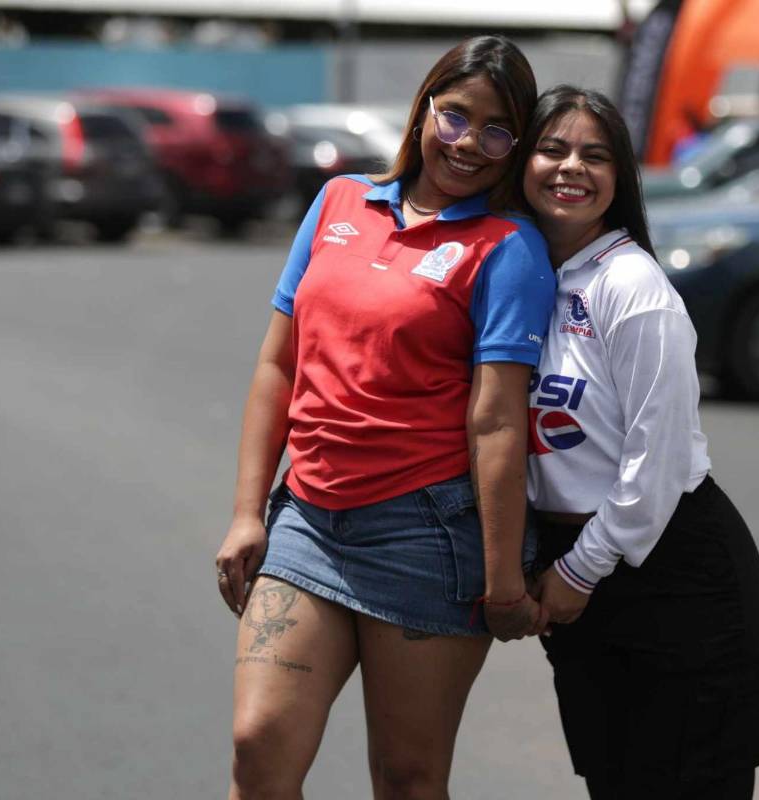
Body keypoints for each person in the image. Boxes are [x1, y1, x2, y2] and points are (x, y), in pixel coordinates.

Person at [214, 36, 556, 799]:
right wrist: (247, 512)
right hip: (308, 519)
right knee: (258, 748)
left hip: (427, 537)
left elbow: (497, 423)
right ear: (425, 108)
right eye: (457, 115)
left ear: (517, 145)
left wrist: (502, 584)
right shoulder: (338, 201)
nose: (469, 143)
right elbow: (279, 364)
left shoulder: (508, 247)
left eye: (498, 129)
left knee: (406, 778)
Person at [518, 85, 759, 799]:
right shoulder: (527, 281)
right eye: (553, 148)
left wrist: (576, 573)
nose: (572, 167)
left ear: (620, 177)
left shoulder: (632, 284)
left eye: (595, 156)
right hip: (583, 578)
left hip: (676, 580)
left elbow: (654, 461)